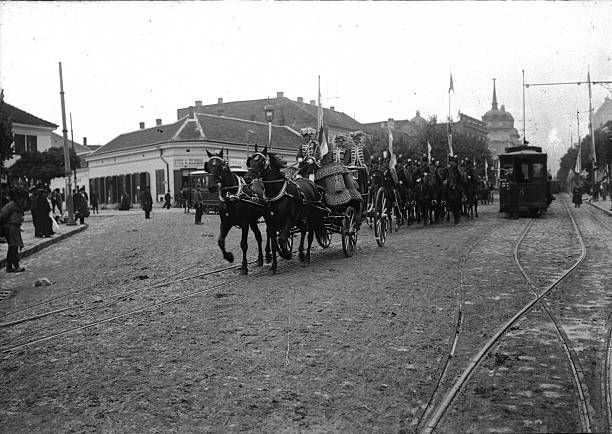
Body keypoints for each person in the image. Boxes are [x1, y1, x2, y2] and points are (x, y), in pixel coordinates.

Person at [0, 188, 27, 273]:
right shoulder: (10, 205)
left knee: (12, 247)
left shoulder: (19, 206)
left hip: (16, 228)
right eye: (21, 199)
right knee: (14, 247)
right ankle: (16, 266)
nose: (23, 200)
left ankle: (9, 266)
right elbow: (2, 216)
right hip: (10, 228)